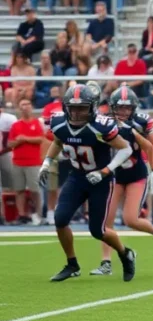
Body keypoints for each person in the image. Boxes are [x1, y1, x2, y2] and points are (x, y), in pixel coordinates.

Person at [38, 84, 138, 282]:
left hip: (101, 180)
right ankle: (72, 264)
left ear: (92, 107)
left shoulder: (101, 125)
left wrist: (105, 170)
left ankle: (125, 253)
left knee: (97, 230)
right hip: (77, 177)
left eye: (81, 107)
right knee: (60, 219)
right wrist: (47, 162)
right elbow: (58, 142)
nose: (75, 112)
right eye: (72, 107)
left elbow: (125, 149)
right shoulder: (59, 122)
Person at [90, 86, 153, 275]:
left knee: (130, 219)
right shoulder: (105, 123)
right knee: (105, 222)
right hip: (114, 176)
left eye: (127, 108)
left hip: (136, 175)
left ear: (134, 108)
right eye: (119, 107)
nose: (123, 111)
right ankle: (106, 262)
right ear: (112, 107)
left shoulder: (139, 124)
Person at [7, 98, 45, 224]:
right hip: (18, 161)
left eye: (28, 104)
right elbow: (10, 143)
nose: (26, 107)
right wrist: (19, 141)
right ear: (19, 108)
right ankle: (22, 215)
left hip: (33, 162)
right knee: (19, 190)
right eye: (23, 104)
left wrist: (24, 138)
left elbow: (40, 139)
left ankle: (39, 214)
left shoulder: (36, 123)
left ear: (31, 107)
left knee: (35, 190)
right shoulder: (16, 125)